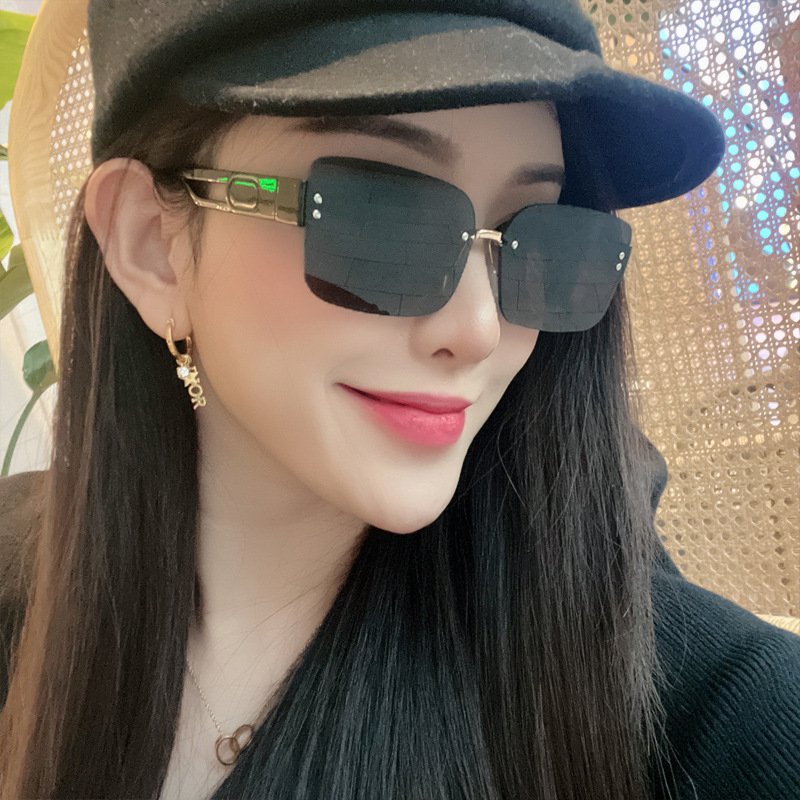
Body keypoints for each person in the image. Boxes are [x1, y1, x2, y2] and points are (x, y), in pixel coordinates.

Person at [0, 1, 798, 798]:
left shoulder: (714, 714)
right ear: (153, 244)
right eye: (380, 218)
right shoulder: (21, 599)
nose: (478, 328)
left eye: (542, 235)